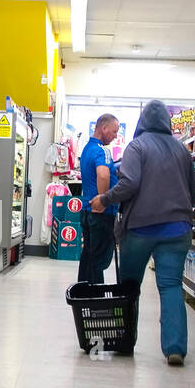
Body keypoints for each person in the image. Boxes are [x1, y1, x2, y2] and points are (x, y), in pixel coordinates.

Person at [90, 99, 195, 366]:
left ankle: (125, 341)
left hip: (140, 228)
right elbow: (194, 195)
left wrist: (104, 199)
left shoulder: (136, 147)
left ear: (142, 122)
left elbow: (130, 184)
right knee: (171, 285)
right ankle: (175, 348)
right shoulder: (182, 150)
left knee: (129, 285)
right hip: (177, 229)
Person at [77, 113, 119, 284]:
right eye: (114, 132)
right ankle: (96, 299)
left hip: (87, 211)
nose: (115, 136)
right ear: (104, 128)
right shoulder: (102, 150)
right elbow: (103, 174)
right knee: (99, 259)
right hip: (100, 213)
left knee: (88, 254)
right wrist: (102, 201)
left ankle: (83, 291)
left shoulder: (87, 149)